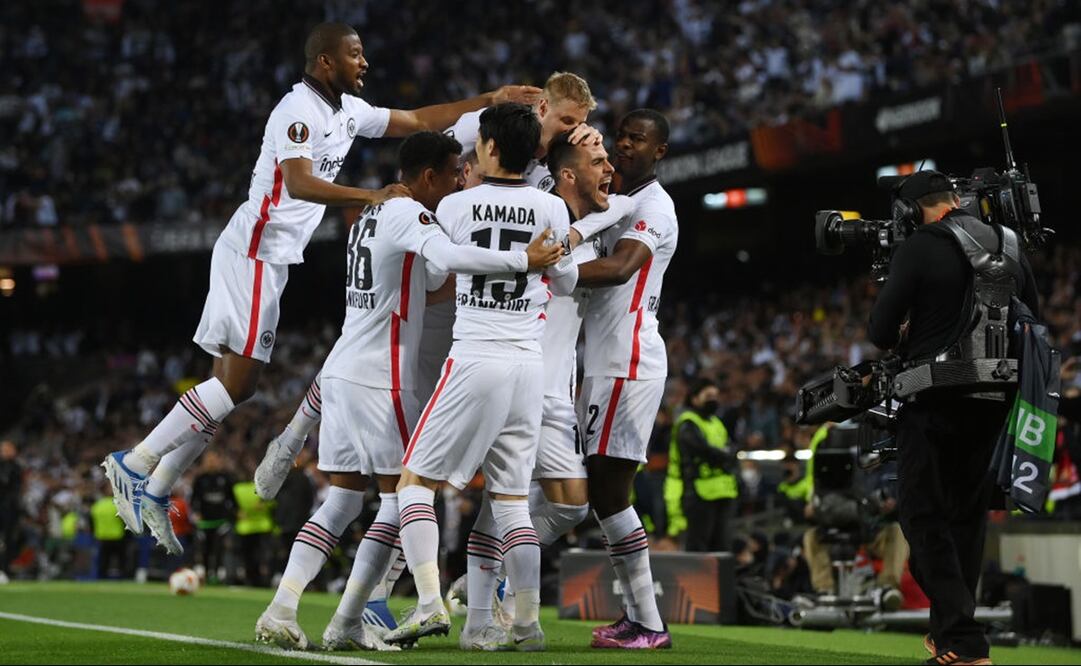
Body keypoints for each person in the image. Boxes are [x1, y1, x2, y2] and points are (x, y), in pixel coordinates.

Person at [101, 21, 542, 551]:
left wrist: (490, 99)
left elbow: (418, 120)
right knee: (239, 385)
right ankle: (137, 461)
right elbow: (299, 182)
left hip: (273, 257)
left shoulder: (347, 112)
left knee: (228, 385)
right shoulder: (296, 111)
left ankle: (158, 485)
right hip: (255, 250)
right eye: (355, 55)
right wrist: (369, 194)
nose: (365, 63)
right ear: (326, 61)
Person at [255, 129, 562, 651]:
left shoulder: (370, 215)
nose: (457, 183)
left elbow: (428, 283)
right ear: (428, 177)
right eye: (450, 175)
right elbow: (452, 256)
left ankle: (284, 608)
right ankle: (416, 604)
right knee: (404, 496)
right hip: (383, 378)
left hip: (343, 371)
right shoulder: (409, 213)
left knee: (342, 503)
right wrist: (521, 262)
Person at [386, 103, 579, 652]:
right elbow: (564, 283)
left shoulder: (456, 203)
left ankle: (427, 603)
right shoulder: (552, 207)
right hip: (528, 364)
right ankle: (526, 624)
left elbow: (431, 275)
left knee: (414, 483)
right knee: (514, 501)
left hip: (475, 353)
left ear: (490, 147)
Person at [459, 129, 635, 648]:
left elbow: (619, 204)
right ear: (566, 173)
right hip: (517, 374)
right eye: (597, 160)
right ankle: (478, 609)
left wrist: (594, 221)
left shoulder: (595, 220)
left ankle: (484, 589)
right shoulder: (542, 217)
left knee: (569, 504)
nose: (609, 168)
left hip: (556, 388)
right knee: (501, 502)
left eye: (608, 159)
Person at [867, 169, 1040, 665]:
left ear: (910, 209)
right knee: (966, 520)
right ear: (955, 200)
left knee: (921, 516)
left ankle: (963, 638)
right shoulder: (1009, 242)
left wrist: (911, 326)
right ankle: (950, 638)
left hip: (936, 397)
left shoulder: (919, 245)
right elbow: (1032, 320)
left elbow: (880, 331)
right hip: (996, 401)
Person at [572, 109, 677, 649]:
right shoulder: (615, 202)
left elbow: (618, 269)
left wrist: (542, 266)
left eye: (638, 139)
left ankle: (650, 623)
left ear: (660, 151)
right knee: (603, 492)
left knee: (609, 491)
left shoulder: (656, 207)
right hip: (605, 363)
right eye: (622, 136)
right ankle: (638, 618)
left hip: (628, 361)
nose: (625, 145)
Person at [664, 378, 739, 553]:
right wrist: (725, 455)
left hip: (723, 492)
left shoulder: (716, 422)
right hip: (698, 493)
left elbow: (732, 448)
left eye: (715, 395)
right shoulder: (688, 423)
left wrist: (725, 454)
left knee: (722, 546)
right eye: (708, 395)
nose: (713, 399)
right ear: (695, 398)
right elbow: (703, 450)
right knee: (699, 546)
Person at [191, 450, 236, 584]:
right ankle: (205, 573)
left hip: (221, 521)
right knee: (205, 549)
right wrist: (196, 511)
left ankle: (215, 575)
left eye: (214, 459)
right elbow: (194, 499)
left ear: (219, 461)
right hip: (205, 521)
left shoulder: (226, 478)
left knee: (218, 548)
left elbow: (231, 499)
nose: (211, 462)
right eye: (209, 460)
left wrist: (234, 513)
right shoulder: (200, 479)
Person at [0, 440, 21, 583]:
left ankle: (4, 570)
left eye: (8, 448)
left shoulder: (15, 467)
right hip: (5, 507)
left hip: (8, 509)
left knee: (8, 540)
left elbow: (8, 483)